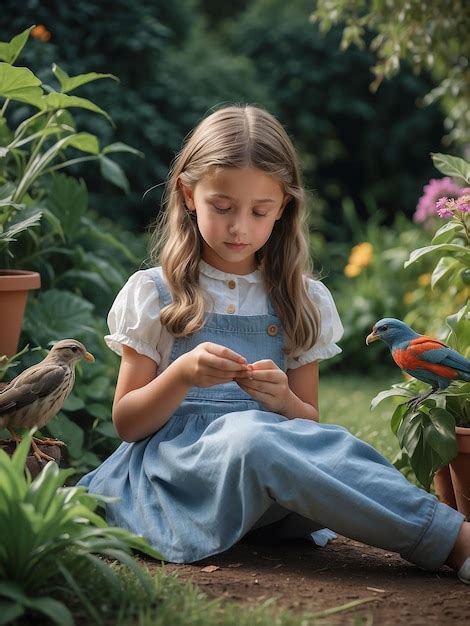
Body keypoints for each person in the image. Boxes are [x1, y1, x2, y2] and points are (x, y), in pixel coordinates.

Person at [78, 105, 470, 582]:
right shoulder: (155, 293)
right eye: (222, 207)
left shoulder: (300, 298)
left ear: (283, 207)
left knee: (325, 446)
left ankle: (438, 531)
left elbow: (308, 423)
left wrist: (284, 399)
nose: (239, 226)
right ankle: (455, 542)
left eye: (259, 211)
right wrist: (180, 375)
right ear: (187, 195)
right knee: (252, 438)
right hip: (181, 483)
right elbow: (126, 422)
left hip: (271, 498)